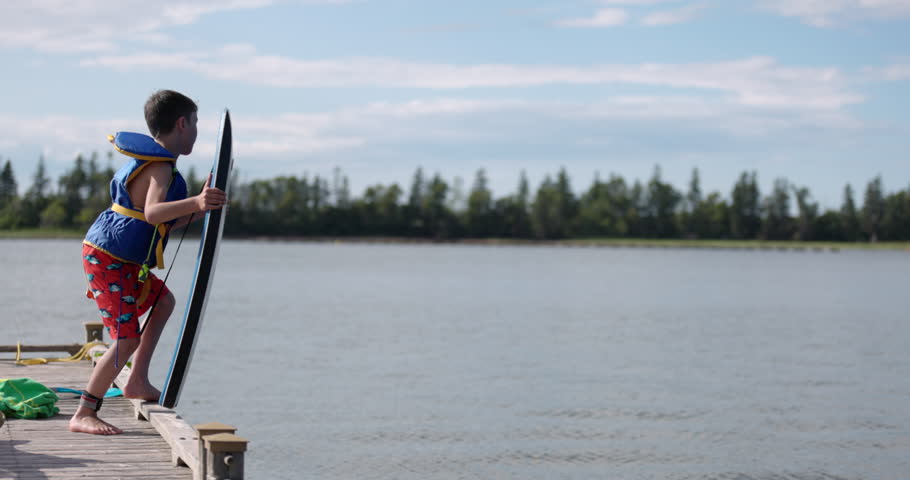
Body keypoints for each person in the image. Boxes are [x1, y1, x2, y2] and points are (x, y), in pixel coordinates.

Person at [70, 90, 226, 435]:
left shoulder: (157, 164)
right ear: (181, 123)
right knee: (125, 339)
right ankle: (84, 411)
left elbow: (160, 221)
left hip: (121, 259)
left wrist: (203, 208)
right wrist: (197, 202)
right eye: (195, 123)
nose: (196, 131)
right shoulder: (160, 167)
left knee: (163, 302)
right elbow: (155, 212)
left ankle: (137, 379)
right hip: (108, 259)